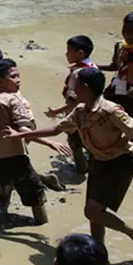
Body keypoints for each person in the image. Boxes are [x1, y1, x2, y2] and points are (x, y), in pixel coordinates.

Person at [4, 67, 133, 263]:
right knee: (95, 217)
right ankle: (99, 258)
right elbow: (56, 129)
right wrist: (22, 134)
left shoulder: (111, 111)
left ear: (85, 88)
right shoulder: (80, 112)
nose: (73, 90)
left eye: (75, 85)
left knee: (92, 211)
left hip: (119, 164)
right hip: (98, 163)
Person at [0, 58, 72, 225]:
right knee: (36, 196)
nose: (18, 80)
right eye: (14, 76)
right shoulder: (13, 100)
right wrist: (51, 143)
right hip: (16, 156)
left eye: (19, 76)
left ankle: (1, 213)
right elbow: (25, 132)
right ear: (0, 81)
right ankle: (42, 225)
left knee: (6, 184)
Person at [0, 46, 66, 193]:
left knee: (16, 162)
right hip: (24, 120)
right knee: (16, 161)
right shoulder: (3, 84)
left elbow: (15, 122)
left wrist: (50, 143)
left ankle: (41, 180)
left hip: (20, 125)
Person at [45, 35, 98, 174]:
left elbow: (76, 102)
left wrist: (56, 111)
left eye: (69, 51)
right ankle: (94, 164)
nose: (66, 54)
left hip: (78, 113)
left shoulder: (78, 74)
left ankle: (81, 169)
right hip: (92, 110)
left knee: (75, 142)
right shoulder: (93, 67)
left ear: (80, 53)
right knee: (90, 138)